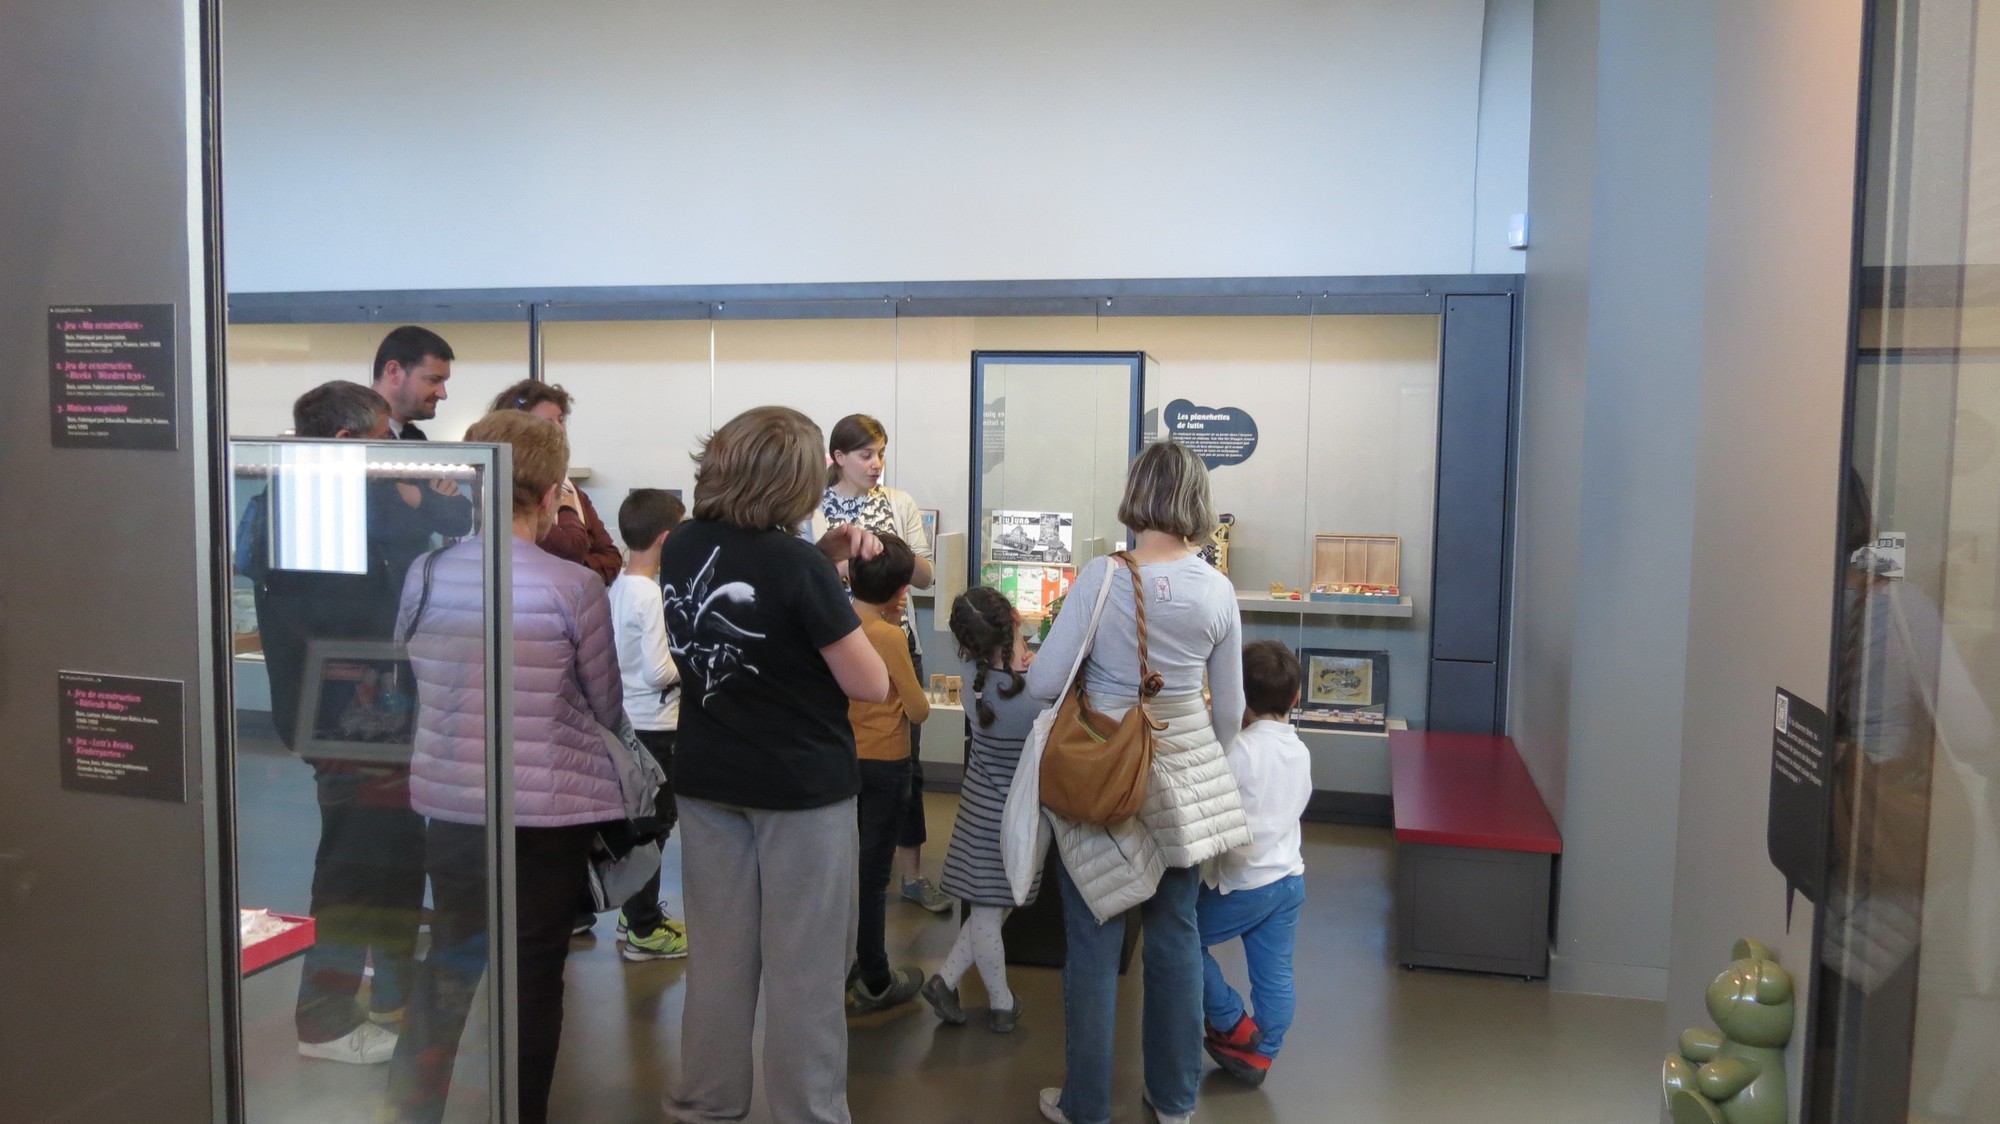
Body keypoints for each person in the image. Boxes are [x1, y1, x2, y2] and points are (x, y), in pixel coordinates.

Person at [383, 410, 626, 1124]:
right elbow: (607, 707)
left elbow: (406, 671)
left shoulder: (427, 572)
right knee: (534, 977)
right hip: (548, 813)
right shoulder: (573, 586)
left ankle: (412, 1112)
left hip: (452, 802)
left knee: (449, 960)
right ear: (552, 494)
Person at [662, 406, 891, 1124]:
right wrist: (829, 574)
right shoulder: (797, 565)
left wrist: (820, 558)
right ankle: (809, 1113)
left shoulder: (683, 542)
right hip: (800, 789)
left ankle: (706, 1103)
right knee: (807, 971)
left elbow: (757, 589)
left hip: (708, 778)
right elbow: (870, 684)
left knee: (718, 963)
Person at [1026, 440, 1251, 1124]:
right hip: (1183, 780)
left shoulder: (1103, 577)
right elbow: (1231, 710)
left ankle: (1086, 1105)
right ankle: (1175, 1100)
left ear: (1137, 494)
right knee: (1176, 934)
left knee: (1093, 938)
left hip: (1100, 773)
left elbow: (1043, 683)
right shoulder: (1217, 589)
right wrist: (1195, 756)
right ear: (1197, 500)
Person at [250, 381, 424, 1066]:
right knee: (352, 866)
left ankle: (387, 994)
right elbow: (351, 619)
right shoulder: (313, 503)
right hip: (347, 720)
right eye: (382, 443)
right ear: (347, 442)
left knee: (390, 856)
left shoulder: (316, 501)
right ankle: (322, 1022)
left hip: (366, 716)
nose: (390, 457)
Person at [806, 414, 949, 914]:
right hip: (832, 646)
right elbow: (809, 576)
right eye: (866, 454)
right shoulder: (813, 510)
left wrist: (889, 556)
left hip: (895, 642)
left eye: (881, 453)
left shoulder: (899, 503)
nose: (875, 464)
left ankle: (911, 874)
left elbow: (926, 576)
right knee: (838, 759)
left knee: (905, 764)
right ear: (838, 457)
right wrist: (840, 559)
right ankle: (844, 874)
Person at [923, 585, 1043, 1033]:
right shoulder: (1035, 695)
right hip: (1014, 820)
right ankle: (1001, 1004)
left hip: (978, 813)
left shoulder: (975, 689)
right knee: (992, 913)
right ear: (1013, 622)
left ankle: (944, 981)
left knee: (988, 910)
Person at [1196, 640, 1311, 1087]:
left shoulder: (1239, 751)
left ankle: (1230, 1020)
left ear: (1238, 694)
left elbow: (1213, 811)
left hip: (1243, 883)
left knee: (1181, 938)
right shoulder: (1300, 750)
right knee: (1276, 975)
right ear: (1295, 697)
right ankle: (1262, 1055)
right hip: (1288, 880)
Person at [843, 534, 932, 1014]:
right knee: (874, 876)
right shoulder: (890, 636)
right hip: (886, 762)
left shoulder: (838, 622)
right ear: (899, 590)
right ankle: (875, 977)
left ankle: (844, 967)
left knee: (845, 869)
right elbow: (918, 710)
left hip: (844, 761)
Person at [608, 487, 690, 961]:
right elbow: (660, 671)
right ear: (666, 539)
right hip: (658, 725)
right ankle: (645, 929)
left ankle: (633, 914)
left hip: (628, 721)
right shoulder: (652, 595)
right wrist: (692, 663)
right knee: (657, 825)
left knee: (642, 822)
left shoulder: (618, 586)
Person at [367, 325, 474, 584]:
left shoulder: (415, 439)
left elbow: (459, 518)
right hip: (355, 596)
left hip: (406, 589)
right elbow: (382, 522)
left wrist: (415, 497)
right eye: (433, 380)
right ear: (394, 371)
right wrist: (429, 500)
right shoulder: (349, 433)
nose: (443, 394)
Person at [491, 379, 623, 586]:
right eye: (547, 423)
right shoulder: (511, 490)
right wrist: (568, 512)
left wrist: (574, 571)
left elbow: (612, 558)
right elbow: (568, 550)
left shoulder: (573, 491)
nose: (559, 430)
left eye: (561, 420)